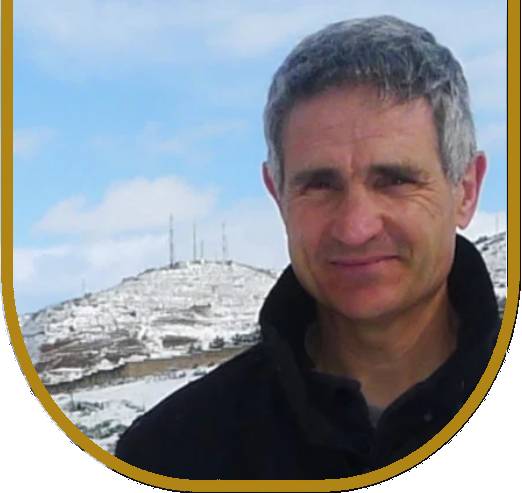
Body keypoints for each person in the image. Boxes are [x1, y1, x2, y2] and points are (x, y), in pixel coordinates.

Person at [115, 16, 500, 480]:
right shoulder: (171, 455)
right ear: (278, 196)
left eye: (395, 180)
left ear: (465, 190)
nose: (355, 228)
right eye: (319, 185)